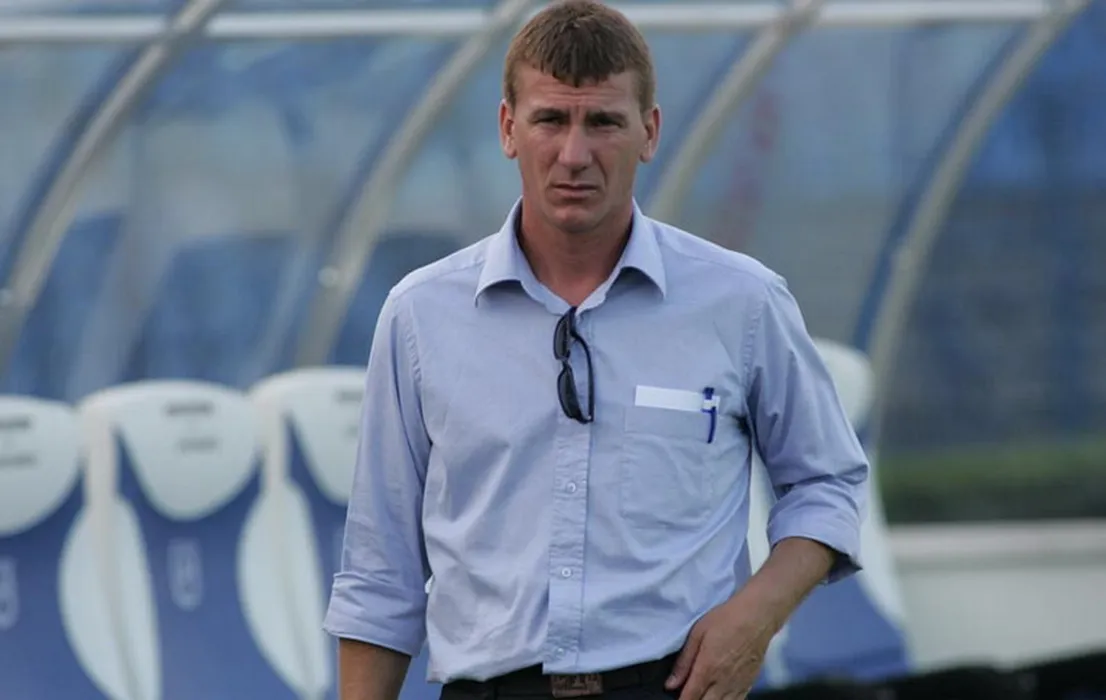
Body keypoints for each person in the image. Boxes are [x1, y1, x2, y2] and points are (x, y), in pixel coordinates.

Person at [323, 2, 870, 700]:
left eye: (604, 122)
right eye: (550, 119)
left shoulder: (742, 301)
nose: (575, 155)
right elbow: (381, 570)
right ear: (507, 128)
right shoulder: (420, 315)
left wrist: (756, 617)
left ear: (650, 132)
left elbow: (827, 483)